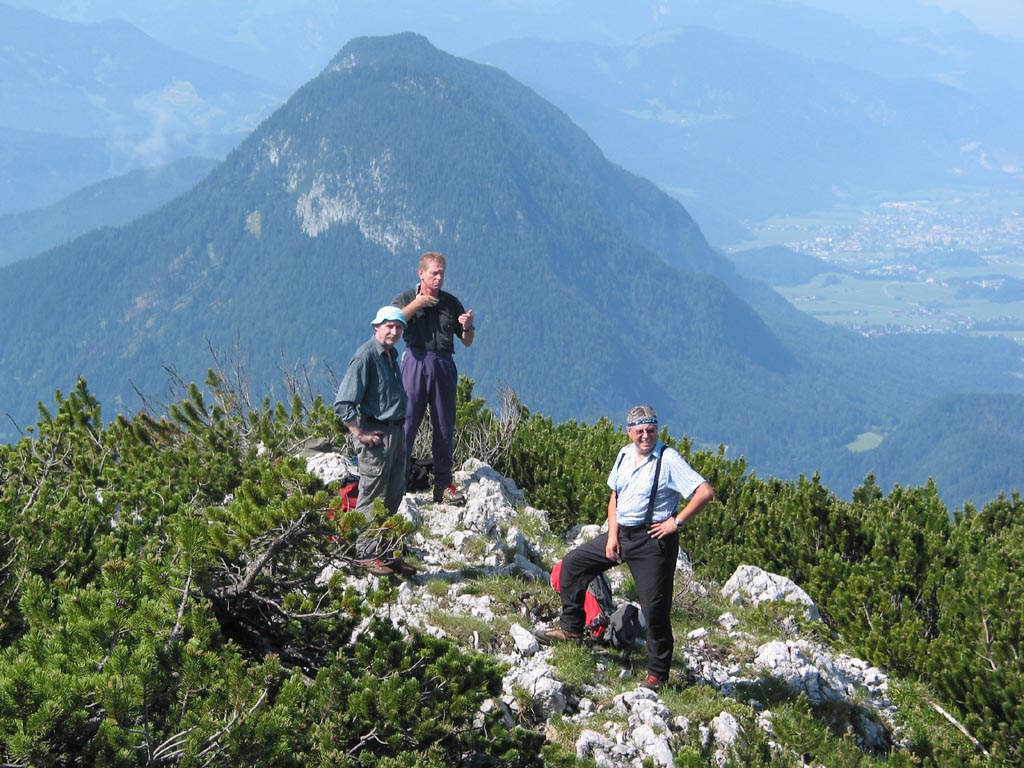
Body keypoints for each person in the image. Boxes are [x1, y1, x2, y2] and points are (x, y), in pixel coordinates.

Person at [534, 405, 715, 692]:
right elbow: (615, 496)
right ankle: (571, 629)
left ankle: (658, 674)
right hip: (622, 535)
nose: (646, 436)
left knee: (655, 608)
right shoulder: (624, 454)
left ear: (657, 430)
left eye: (651, 430)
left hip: (653, 540)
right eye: (640, 431)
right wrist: (612, 535)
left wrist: (675, 522)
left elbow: (704, 492)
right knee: (573, 565)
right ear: (629, 431)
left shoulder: (668, 459)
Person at [333, 306, 416, 577]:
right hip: (377, 437)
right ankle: (366, 554)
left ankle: (385, 551)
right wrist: (360, 434)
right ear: (376, 327)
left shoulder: (390, 355)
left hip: (396, 433)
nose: (394, 331)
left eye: (398, 327)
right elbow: (343, 403)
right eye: (388, 326)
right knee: (372, 495)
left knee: (393, 494)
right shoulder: (366, 357)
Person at [392, 251, 475, 504]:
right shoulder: (406, 298)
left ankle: (443, 484)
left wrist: (467, 326)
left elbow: (467, 341)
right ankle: (398, 483)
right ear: (421, 274)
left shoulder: (451, 303)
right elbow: (393, 322)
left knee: (444, 425)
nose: (439, 278)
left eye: (442, 273)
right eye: (434, 273)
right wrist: (418, 304)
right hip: (415, 360)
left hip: (443, 363)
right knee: (407, 422)